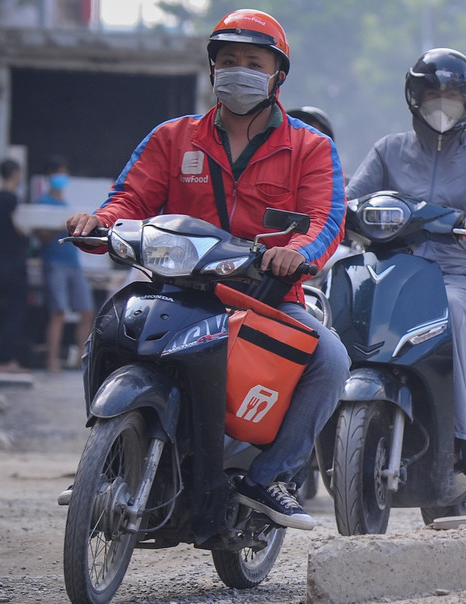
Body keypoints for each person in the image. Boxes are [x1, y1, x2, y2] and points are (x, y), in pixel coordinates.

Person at [65, 8, 349, 531]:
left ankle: (271, 478)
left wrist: (301, 254)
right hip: (177, 287)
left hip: (265, 294)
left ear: (277, 75)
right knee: (108, 328)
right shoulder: (173, 138)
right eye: (229, 60)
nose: (238, 70)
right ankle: (103, 457)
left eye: (253, 61)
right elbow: (129, 197)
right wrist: (99, 223)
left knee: (330, 357)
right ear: (213, 68)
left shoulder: (310, 147)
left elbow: (325, 220)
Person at [345, 48, 466, 476]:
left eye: (452, 95)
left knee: (452, 314)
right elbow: (348, 201)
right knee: (336, 311)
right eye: (431, 94)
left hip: (454, 278)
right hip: (389, 272)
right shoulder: (388, 150)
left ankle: (459, 436)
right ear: (414, 98)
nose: (441, 103)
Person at [38, 156, 95, 373]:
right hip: (55, 262)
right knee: (58, 312)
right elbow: (41, 237)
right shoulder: (43, 203)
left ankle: (80, 360)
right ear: (49, 177)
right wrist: (59, 226)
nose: (62, 178)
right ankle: (51, 361)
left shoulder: (64, 204)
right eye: (58, 174)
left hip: (73, 263)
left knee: (87, 311)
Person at [0, 159, 31, 373]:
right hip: (14, 263)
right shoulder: (12, 200)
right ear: (14, 174)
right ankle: (7, 360)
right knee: (16, 312)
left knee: (2, 312)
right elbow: (20, 227)